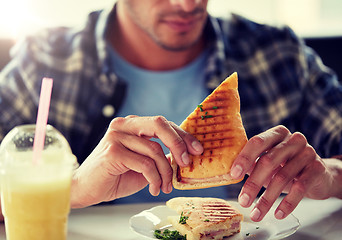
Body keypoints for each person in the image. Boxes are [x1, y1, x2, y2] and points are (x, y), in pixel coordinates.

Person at [0, 0, 342, 222]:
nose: (188, 4)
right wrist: (69, 189)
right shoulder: (43, 63)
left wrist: (331, 176)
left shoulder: (278, 54)